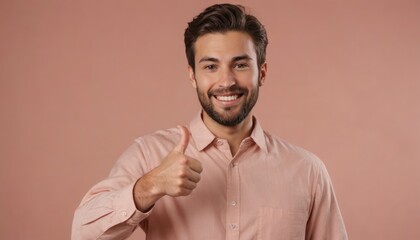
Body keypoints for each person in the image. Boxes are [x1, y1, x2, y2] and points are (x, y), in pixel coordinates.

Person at [72, 3, 348, 240]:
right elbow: (82, 233)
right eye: (211, 66)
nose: (226, 81)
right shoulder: (150, 154)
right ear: (192, 75)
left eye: (240, 65)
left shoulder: (307, 170)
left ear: (261, 73)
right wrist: (150, 186)